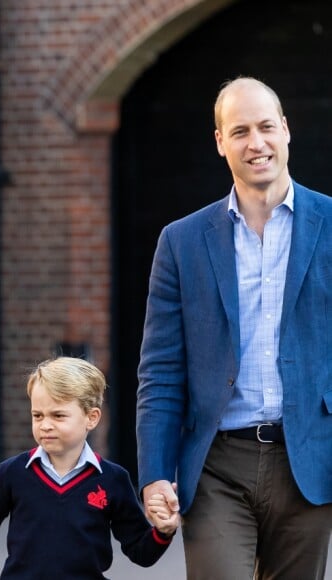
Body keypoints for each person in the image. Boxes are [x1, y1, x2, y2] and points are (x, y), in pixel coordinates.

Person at [136, 76, 332, 579]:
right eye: (240, 130)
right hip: (217, 464)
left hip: (308, 459)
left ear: (286, 130)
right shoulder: (181, 243)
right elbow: (160, 371)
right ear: (221, 141)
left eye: (266, 126)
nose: (256, 142)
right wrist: (155, 475)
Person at [0, 356, 179, 579]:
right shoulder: (11, 473)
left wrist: (163, 531)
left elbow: (140, 552)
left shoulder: (114, 480)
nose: (45, 425)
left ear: (91, 418)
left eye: (58, 415)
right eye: (38, 415)